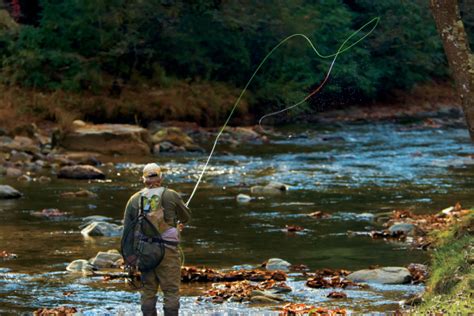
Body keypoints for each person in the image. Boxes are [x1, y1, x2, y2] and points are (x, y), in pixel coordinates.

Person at [121, 163, 191, 316]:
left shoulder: (134, 199)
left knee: (148, 291)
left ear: (143, 179)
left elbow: (127, 231)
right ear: (161, 177)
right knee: (171, 291)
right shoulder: (171, 195)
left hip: (145, 251)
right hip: (168, 252)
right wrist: (177, 225)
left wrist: (129, 257)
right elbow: (186, 217)